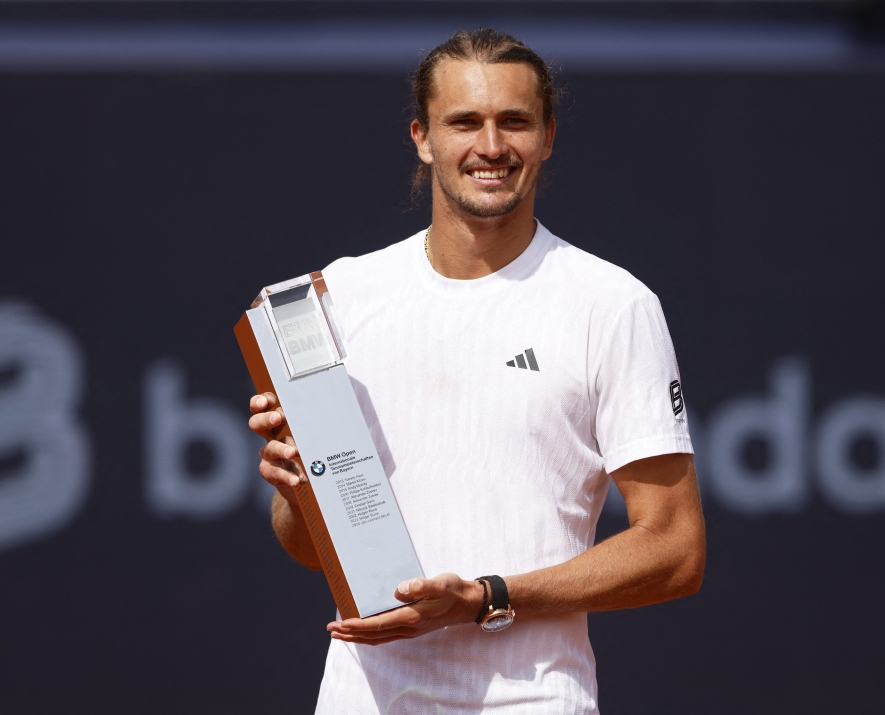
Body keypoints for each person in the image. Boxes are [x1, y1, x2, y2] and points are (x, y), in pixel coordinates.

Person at [247, 28, 706, 715]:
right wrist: (296, 486)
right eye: (464, 122)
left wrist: (486, 598)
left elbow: (674, 548)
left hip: (534, 699)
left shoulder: (612, 305)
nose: (490, 147)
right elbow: (312, 550)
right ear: (422, 137)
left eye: (514, 121)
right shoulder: (333, 301)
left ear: (547, 136)